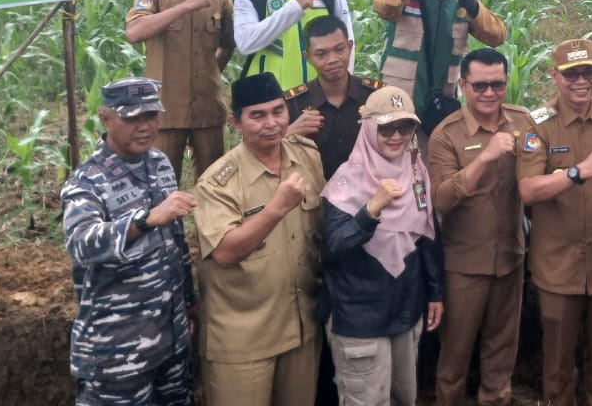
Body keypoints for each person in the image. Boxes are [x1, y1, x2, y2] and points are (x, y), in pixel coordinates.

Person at [517, 38, 592, 406]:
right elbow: (528, 189)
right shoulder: (538, 125)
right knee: (557, 363)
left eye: (589, 71)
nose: (581, 80)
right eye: (572, 73)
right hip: (558, 266)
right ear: (555, 76)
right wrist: (576, 172)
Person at [62, 77, 197, 406]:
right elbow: (81, 242)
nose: (144, 126)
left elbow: (175, 242)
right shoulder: (88, 181)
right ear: (105, 118)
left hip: (171, 339)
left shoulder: (160, 163)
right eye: (131, 117)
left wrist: (190, 300)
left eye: (151, 115)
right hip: (118, 355)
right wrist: (145, 219)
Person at [194, 72, 326, 406]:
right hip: (244, 341)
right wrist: (276, 208)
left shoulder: (307, 156)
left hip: (302, 328)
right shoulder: (218, 182)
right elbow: (224, 252)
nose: (272, 123)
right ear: (235, 122)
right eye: (258, 115)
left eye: (278, 111)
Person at [319, 85, 444, 406]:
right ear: (369, 129)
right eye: (387, 127)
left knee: (404, 397)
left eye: (405, 127)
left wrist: (435, 291)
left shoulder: (416, 172)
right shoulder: (346, 181)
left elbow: (427, 235)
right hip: (360, 316)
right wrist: (371, 209)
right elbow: (333, 247)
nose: (396, 136)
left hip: (405, 310)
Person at [427, 48, 530, 406]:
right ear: (463, 86)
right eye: (480, 86)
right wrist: (484, 157)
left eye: (498, 85)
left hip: (510, 260)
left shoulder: (523, 122)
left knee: (501, 355)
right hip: (464, 267)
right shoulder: (446, 135)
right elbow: (440, 199)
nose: (489, 93)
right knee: (454, 358)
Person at [125, 0, 235, 181]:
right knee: (162, 187)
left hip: (208, 111)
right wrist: (185, 6)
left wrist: (211, 73)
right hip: (164, 113)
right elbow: (135, 31)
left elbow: (229, 44)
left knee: (215, 187)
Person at [373, 0, 506, 133]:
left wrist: (474, 9)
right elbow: (382, 6)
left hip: (440, 98)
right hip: (401, 91)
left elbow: (497, 37)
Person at [284, 14, 383, 180]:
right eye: (321, 54)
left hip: (370, 191)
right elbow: (260, 151)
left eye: (339, 49)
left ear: (350, 46)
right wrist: (290, 132)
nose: (332, 60)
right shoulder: (294, 104)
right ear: (308, 57)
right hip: (314, 195)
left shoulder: (375, 96)